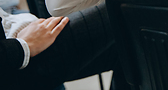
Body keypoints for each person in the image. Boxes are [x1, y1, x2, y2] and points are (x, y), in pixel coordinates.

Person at [0, 5, 129, 90]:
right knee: (122, 10)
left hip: (12, 45)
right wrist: (22, 46)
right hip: (12, 64)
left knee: (126, 49)